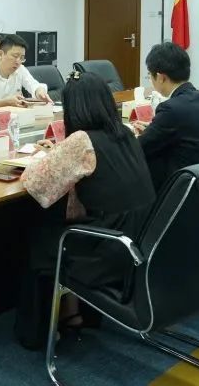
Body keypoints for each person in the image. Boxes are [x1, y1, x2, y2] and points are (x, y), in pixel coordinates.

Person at [15, 72, 154, 350]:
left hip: (103, 250)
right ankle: (73, 312)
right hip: (137, 241)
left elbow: (34, 183)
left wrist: (48, 156)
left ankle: (39, 332)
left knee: (40, 235)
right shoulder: (126, 133)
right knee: (58, 225)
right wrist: (60, 151)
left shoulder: (81, 140)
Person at [133, 43, 199, 190]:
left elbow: (138, 149)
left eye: (149, 75)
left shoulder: (170, 109)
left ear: (161, 77)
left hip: (183, 189)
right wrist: (153, 129)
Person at [0, 33, 51, 109]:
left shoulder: (20, 69)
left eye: (22, 58)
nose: (18, 62)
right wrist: (7, 102)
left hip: (17, 114)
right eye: (15, 56)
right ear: (0, 54)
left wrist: (39, 91)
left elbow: (33, 84)